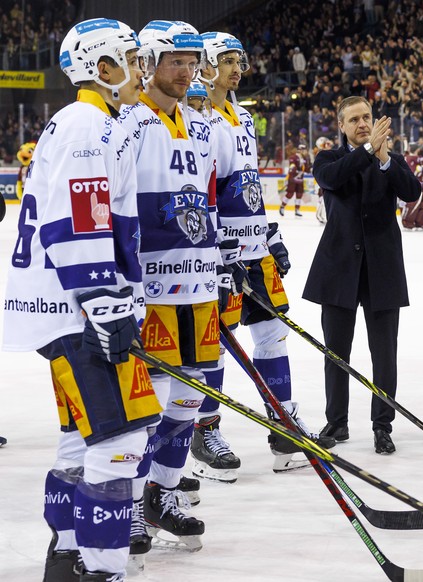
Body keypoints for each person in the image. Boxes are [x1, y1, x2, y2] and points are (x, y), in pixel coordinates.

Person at [2, 18, 160, 581]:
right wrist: (106, 303)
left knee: (81, 437)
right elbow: (79, 221)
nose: (141, 70)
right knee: (121, 442)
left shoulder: (88, 122)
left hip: (65, 307)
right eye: (132, 59)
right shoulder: (88, 124)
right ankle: (102, 569)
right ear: (103, 69)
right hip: (78, 308)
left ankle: (66, 556)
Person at [191, 31, 333, 481]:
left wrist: (269, 233)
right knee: (215, 340)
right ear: (206, 64)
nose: (237, 68)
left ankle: (283, 425)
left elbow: (248, 186)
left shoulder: (243, 118)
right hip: (222, 252)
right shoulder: (197, 118)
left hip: (254, 248)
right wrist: (215, 252)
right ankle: (203, 431)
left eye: (239, 60)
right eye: (227, 60)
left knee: (272, 333)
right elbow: (202, 193)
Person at [117, 19, 216, 552]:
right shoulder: (129, 124)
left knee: (189, 399)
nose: (186, 71)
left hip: (198, 287)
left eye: (192, 61)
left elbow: (205, 203)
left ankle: (165, 491)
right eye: (176, 60)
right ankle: (132, 504)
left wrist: (222, 261)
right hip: (151, 290)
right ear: (150, 62)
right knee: (148, 401)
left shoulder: (200, 127)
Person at [304, 96, 421, 454]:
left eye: (367, 117)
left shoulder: (391, 161)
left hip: (382, 271)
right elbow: (332, 179)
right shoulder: (329, 158)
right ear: (341, 126)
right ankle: (337, 422)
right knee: (336, 353)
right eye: (354, 119)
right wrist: (370, 150)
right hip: (338, 269)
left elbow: (412, 191)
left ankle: (382, 424)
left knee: (384, 354)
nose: (362, 123)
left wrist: (384, 158)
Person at [401, 144, 423, 229]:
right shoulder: (407, 158)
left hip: (422, 185)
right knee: (412, 203)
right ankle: (407, 221)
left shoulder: (419, 158)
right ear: (417, 150)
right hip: (412, 186)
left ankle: (420, 220)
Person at [279, 142, 308, 216]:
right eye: (304, 150)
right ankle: (282, 207)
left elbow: (307, 168)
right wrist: (295, 171)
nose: (305, 151)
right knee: (290, 194)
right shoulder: (293, 157)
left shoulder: (305, 158)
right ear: (300, 150)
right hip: (292, 179)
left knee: (299, 194)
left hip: (300, 179)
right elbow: (292, 167)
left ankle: (297, 210)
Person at [313, 136, 333, 224]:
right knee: (321, 198)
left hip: (323, 178)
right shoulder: (320, 154)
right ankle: (319, 215)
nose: (328, 145)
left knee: (323, 198)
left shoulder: (324, 153)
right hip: (319, 180)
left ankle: (321, 216)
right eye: (326, 144)